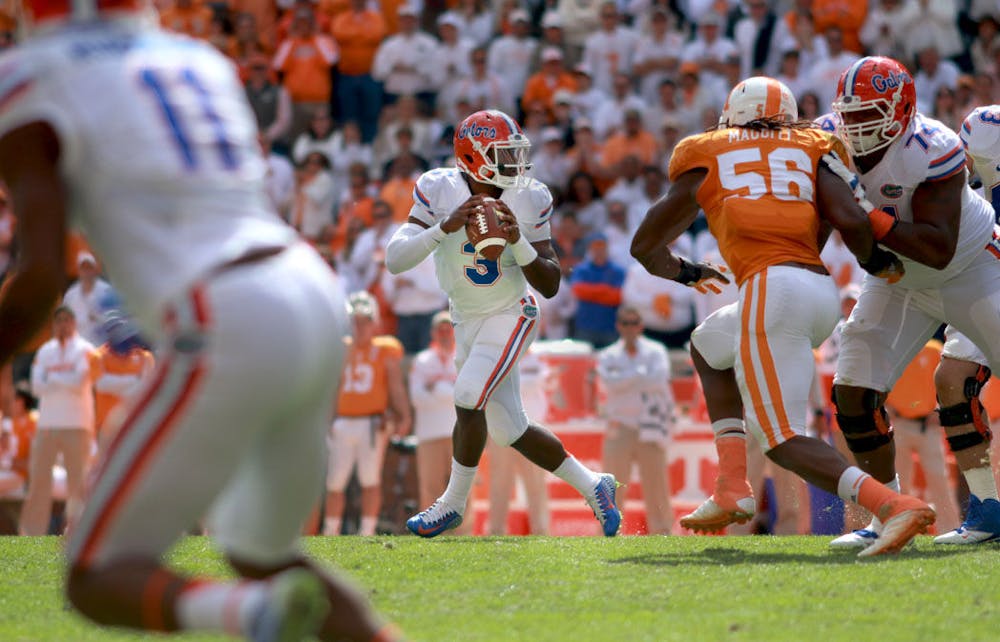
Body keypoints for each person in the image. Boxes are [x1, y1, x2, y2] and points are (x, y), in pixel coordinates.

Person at [0, 4, 401, 640]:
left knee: (94, 572)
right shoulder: (198, 59)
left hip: (225, 307)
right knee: (261, 555)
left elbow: (44, 270)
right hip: (308, 286)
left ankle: (255, 619)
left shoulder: (29, 75)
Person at [631, 76, 934, 557]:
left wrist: (687, 272)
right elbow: (851, 219)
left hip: (771, 289)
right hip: (818, 289)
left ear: (731, 114)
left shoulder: (707, 150)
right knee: (708, 345)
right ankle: (732, 484)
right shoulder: (812, 143)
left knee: (782, 440)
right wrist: (876, 262)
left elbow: (644, 245)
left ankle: (892, 504)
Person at [385, 109, 622, 538]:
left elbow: (549, 283)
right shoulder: (438, 188)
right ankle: (594, 485)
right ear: (474, 157)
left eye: (516, 154)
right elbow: (395, 259)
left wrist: (519, 242)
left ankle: (452, 503)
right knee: (510, 428)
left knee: (467, 394)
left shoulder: (530, 196)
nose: (516, 164)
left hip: (512, 311)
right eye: (504, 154)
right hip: (465, 316)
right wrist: (444, 226)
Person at [827, 60, 1000, 551]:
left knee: (954, 384)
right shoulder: (828, 140)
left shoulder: (932, 147)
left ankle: (986, 509)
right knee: (853, 392)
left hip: (972, 267)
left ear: (901, 111)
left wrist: (867, 219)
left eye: (869, 116)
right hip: (898, 278)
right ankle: (890, 512)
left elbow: (937, 246)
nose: (856, 128)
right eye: (851, 116)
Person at [324, 292, 411, 536]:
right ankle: (331, 531)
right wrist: (326, 420)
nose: (359, 327)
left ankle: (367, 531)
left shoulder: (384, 350)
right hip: (342, 422)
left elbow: (395, 386)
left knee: (370, 480)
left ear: (375, 323)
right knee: (335, 482)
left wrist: (403, 415)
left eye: (365, 321)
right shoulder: (341, 349)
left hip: (372, 423)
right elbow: (331, 388)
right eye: (355, 321)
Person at [596, 306, 674, 535]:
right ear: (619, 326)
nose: (630, 328)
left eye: (634, 322)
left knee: (657, 486)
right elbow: (609, 384)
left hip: (650, 426)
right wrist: (640, 374)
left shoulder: (656, 350)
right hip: (620, 426)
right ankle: (610, 533)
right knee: (613, 486)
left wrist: (626, 378)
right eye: (625, 323)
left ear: (641, 325)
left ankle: (663, 533)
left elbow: (659, 380)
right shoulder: (608, 354)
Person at [20, 306, 95, 536]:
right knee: (39, 479)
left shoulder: (85, 350)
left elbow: (79, 380)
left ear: (74, 323)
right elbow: (36, 386)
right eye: (59, 320)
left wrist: (52, 378)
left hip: (77, 424)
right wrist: (63, 378)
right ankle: (32, 533)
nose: (63, 325)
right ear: (54, 324)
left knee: (78, 482)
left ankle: (77, 531)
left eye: (67, 320)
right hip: (48, 424)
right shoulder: (45, 351)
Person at [409, 311, 473, 534]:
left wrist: (436, 388)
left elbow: (469, 393)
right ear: (433, 333)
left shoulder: (465, 356)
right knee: (430, 486)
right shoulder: (422, 359)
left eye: (449, 329)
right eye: (440, 330)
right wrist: (451, 392)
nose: (445, 334)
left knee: (462, 488)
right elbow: (417, 397)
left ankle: (464, 534)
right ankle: (428, 533)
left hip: (460, 432)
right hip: (429, 433)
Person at [62, 251, 114, 345]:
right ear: (79, 271)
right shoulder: (71, 295)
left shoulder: (107, 291)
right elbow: (64, 321)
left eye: (89, 268)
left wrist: (99, 318)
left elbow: (117, 319)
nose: (86, 272)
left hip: (103, 348)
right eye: (83, 268)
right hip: (79, 348)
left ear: (95, 270)